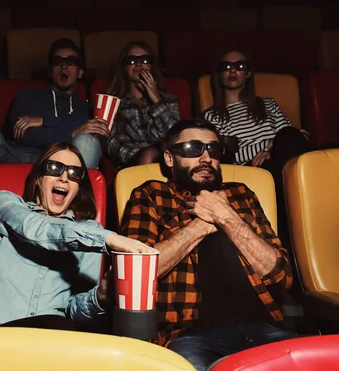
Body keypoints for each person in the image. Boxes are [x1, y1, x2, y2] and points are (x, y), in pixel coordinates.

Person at [120, 119, 296, 371]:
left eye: (213, 149)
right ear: (169, 159)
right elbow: (136, 272)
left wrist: (226, 217)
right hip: (192, 336)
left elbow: (282, 277)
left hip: (265, 329)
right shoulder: (151, 195)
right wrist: (202, 224)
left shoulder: (241, 195)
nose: (206, 157)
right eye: (193, 148)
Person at [0, 141, 151, 329]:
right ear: (38, 179)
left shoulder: (91, 232)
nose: (64, 177)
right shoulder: (6, 203)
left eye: (74, 173)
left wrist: (101, 296)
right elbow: (37, 230)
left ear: (77, 188)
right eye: (54, 168)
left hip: (47, 334)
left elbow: (75, 310)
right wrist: (108, 238)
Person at [202, 49, 310, 240]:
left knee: (289, 137)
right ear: (218, 74)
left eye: (240, 66)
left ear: (249, 73)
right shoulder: (212, 116)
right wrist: (269, 144)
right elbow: (229, 156)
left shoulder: (269, 105)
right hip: (252, 169)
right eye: (226, 67)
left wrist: (272, 149)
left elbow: (294, 138)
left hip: (282, 162)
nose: (233, 71)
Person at [0, 38, 108, 169]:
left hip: (61, 165)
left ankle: (78, 197)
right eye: (58, 61)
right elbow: (24, 135)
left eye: (71, 61)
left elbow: (94, 138)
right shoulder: (28, 96)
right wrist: (73, 131)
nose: (64, 66)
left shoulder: (85, 108)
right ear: (50, 72)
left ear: (80, 72)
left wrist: (43, 121)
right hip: (17, 157)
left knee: (87, 141)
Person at [106, 41, 180, 168]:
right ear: (123, 67)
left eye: (145, 60)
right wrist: (143, 154)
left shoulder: (168, 100)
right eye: (132, 60)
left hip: (167, 163)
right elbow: (113, 143)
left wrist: (157, 100)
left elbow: (175, 137)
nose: (139, 64)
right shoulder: (114, 103)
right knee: (148, 154)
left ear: (152, 66)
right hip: (130, 165)